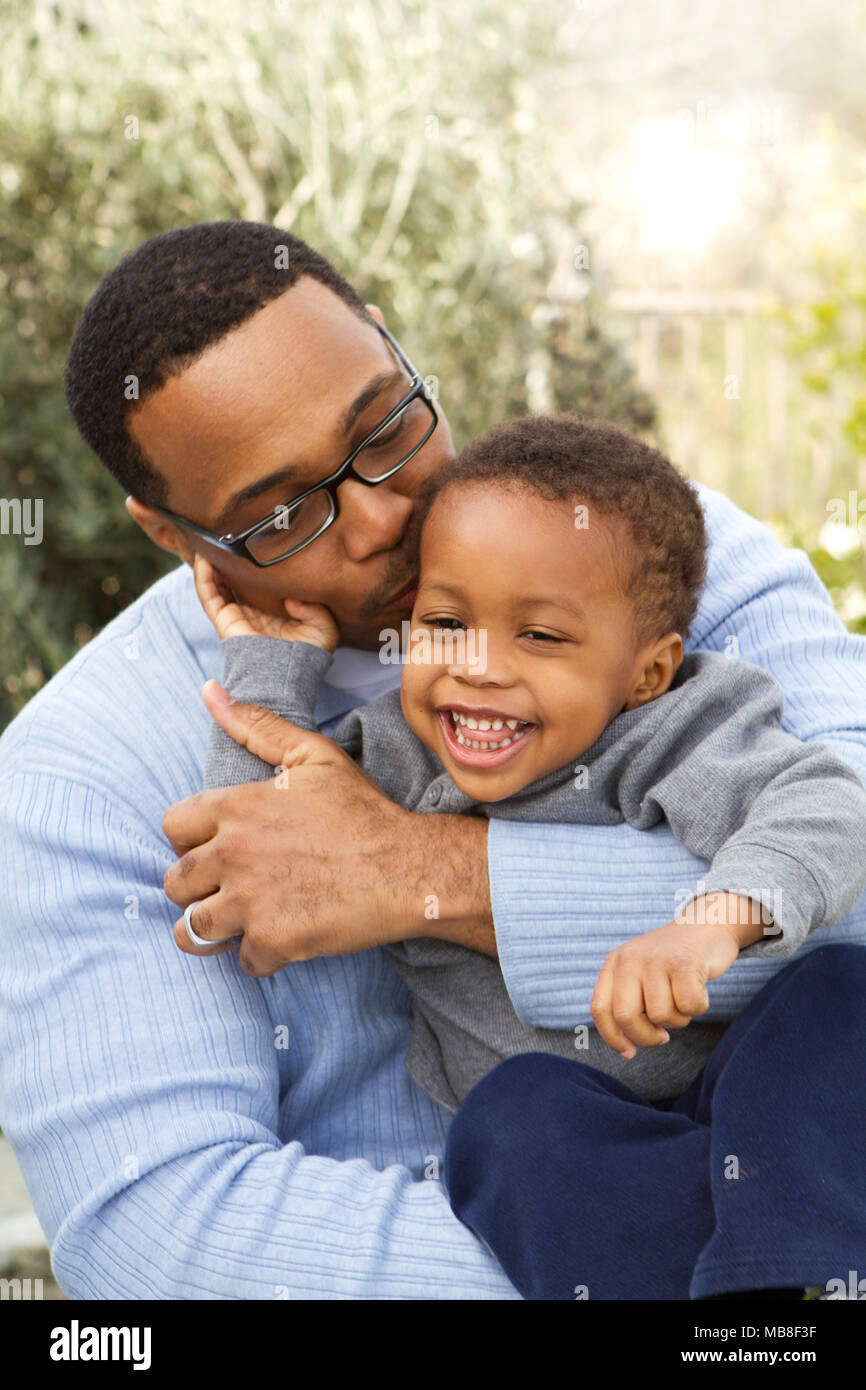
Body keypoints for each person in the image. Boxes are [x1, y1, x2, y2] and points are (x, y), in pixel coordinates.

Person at [0, 221, 864, 1300]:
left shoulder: (659, 555)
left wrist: (421, 872)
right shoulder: (77, 781)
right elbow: (163, 1237)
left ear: (392, 342)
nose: (383, 514)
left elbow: (848, 847)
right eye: (279, 514)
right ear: (172, 536)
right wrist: (670, 1246)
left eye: (384, 427)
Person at [190, 413, 866, 1299]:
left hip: (747, 1107)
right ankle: (744, 1307)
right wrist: (271, 667)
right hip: (576, 1150)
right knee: (508, 1121)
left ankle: (807, 1278)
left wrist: (713, 921)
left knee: (840, 993)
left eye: (539, 636)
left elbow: (828, 806)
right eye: (444, 621)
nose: (475, 667)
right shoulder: (393, 756)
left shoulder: (669, 730)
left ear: (646, 672)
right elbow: (244, 843)